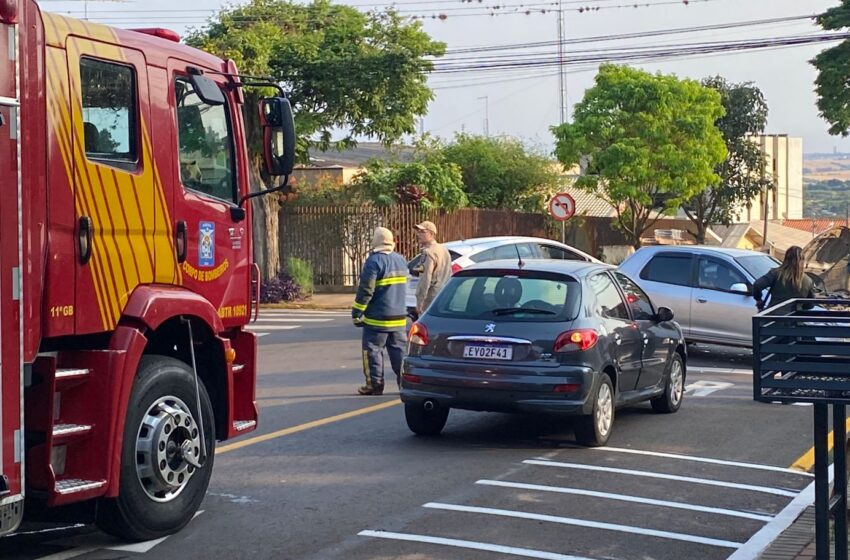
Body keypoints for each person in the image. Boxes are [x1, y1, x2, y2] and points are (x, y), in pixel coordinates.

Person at [352, 227, 409, 396]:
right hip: (399, 317)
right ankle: (404, 385)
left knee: (372, 351)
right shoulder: (401, 260)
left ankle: (374, 385)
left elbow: (366, 290)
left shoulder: (374, 261)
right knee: (399, 352)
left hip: (378, 318)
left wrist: (357, 312)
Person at [753, 246, 815, 311]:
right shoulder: (808, 281)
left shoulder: (775, 274)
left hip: (774, 316)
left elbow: (757, 285)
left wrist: (758, 299)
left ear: (786, 258)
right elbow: (810, 305)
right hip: (794, 318)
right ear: (802, 261)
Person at [413, 221, 452, 317]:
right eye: (418, 231)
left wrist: (420, 302)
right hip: (443, 296)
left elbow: (425, 279)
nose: (418, 234)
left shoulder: (428, 253)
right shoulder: (443, 249)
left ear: (431, 234)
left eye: (422, 232)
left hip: (430, 298)